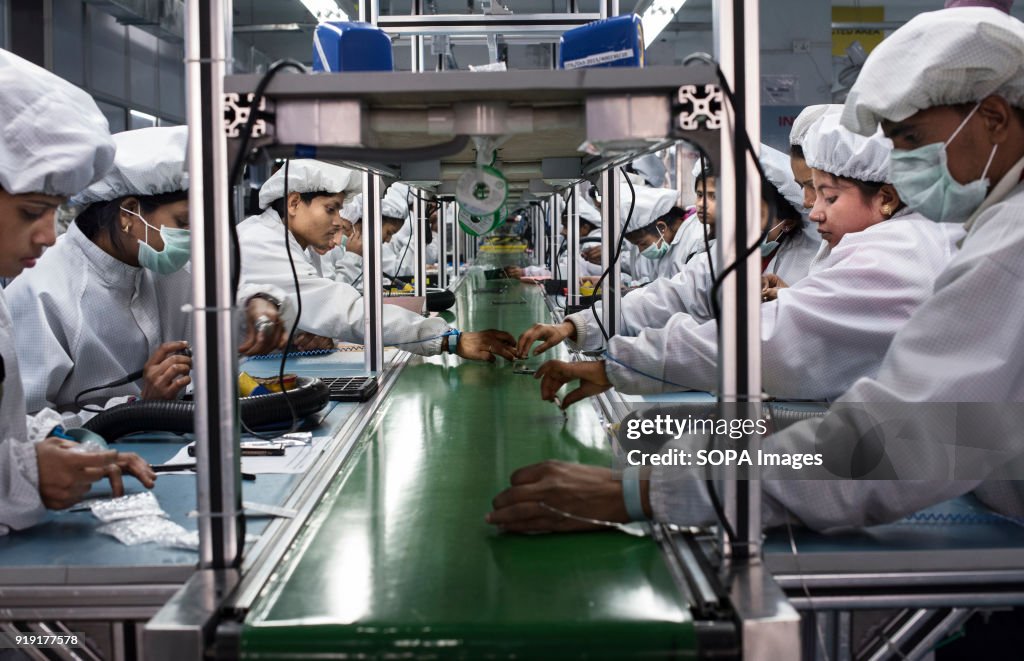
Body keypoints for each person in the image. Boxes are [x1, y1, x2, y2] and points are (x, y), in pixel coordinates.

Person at [487, 7, 1024, 534]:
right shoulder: (985, 227)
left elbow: (897, 439)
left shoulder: (985, 243)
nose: (904, 162)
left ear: (995, 118)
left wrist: (651, 490)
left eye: (911, 140)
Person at [6, 126, 290, 422]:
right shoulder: (42, 292)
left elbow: (226, 313)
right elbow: (23, 428)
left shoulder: (167, 269)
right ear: (129, 213)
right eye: (183, 221)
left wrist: (258, 305)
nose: (193, 237)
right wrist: (139, 406)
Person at [0, 49, 155, 533]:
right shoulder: (38, 291)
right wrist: (24, 473)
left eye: (55, 212)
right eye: (31, 212)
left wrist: (51, 448)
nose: (48, 236)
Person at [516, 145, 820, 358]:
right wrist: (575, 326)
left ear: (786, 215)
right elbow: (663, 299)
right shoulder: (725, 256)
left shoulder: (811, 262)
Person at [238, 159, 516, 360]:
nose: (338, 222)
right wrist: (446, 339)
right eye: (331, 209)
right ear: (294, 202)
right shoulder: (261, 241)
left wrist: (319, 333)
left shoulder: (298, 246)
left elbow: (313, 309)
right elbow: (345, 310)